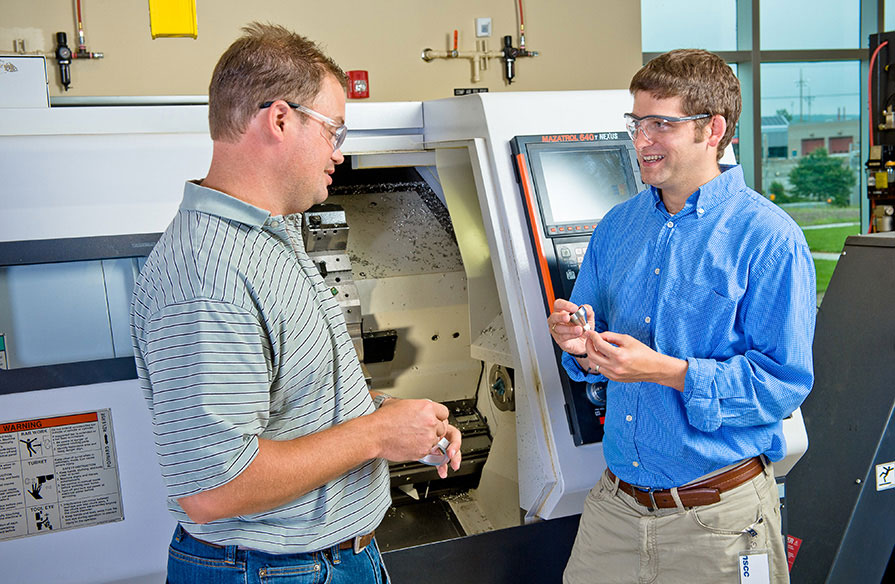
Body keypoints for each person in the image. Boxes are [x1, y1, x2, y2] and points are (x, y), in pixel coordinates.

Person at [131, 23, 461, 584]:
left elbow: (293, 399)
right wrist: (376, 435)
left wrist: (392, 422)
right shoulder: (207, 274)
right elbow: (214, 488)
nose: (340, 150)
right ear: (279, 119)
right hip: (271, 572)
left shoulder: (270, 239)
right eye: (334, 129)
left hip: (332, 560)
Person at [549, 49, 815, 584]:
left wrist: (665, 370)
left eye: (660, 124)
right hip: (616, 512)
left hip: (719, 521)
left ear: (712, 128)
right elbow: (587, 351)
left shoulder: (768, 239)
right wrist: (578, 343)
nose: (641, 139)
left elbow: (782, 384)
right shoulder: (618, 228)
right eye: (636, 122)